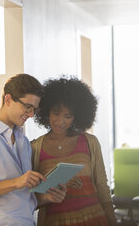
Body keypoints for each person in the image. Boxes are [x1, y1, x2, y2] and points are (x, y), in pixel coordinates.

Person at [31, 77, 117, 226]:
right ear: (46, 112)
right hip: (55, 221)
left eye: (68, 116)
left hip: (94, 218)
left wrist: (113, 222)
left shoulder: (90, 142)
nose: (60, 121)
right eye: (56, 113)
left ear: (76, 116)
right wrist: (53, 187)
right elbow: (31, 199)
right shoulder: (34, 148)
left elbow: (102, 187)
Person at [0, 74, 67, 226]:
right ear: (8, 100)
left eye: (34, 110)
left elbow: (21, 200)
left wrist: (46, 197)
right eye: (27, 107)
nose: (31, 114)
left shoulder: (23, 141)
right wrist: (16, 182)